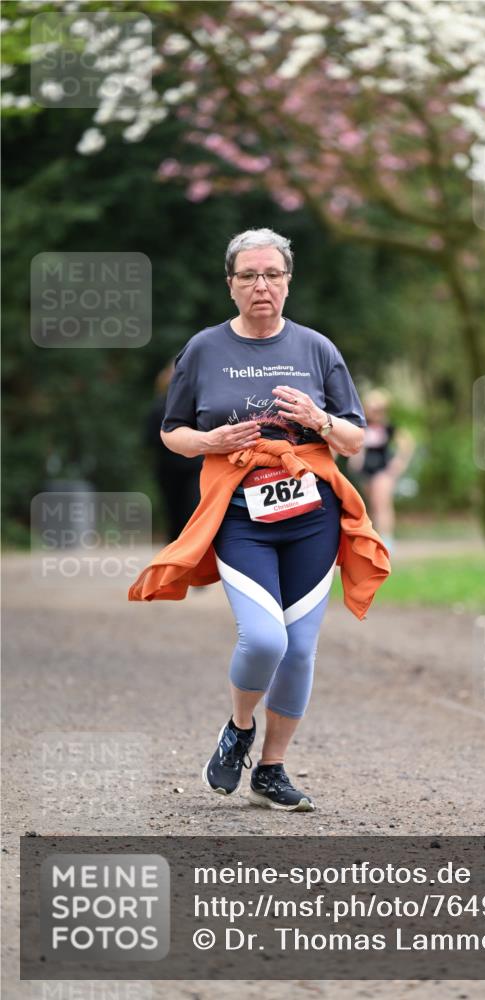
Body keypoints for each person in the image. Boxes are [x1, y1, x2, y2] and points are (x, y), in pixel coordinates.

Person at [153, 227, 385, 812]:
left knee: (300, 650)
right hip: (240, 516)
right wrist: (210, 439)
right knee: (263, 639)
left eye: (273, 275)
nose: (262, 285)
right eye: (250, 275)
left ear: (288, 282)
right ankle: (238, 729)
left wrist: (320, 419)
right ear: (230, 285)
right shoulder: (203, 349)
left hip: (312, 516)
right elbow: (171, 433)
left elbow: (356, 438)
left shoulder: (317, 349)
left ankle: (273, 770)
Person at [347, 389, 415, 552]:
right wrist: (355, 459)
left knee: (382, 503)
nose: (375, 412)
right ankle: (375, 537)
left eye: (378, 408)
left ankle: (387, 539)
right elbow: (357, 446)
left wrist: (399, 463)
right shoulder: (362, 426)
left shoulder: (389, 427)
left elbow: (406, 443)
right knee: (372, 504)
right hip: (366, 471)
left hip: (383, 470)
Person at [144, 360, 203, 541]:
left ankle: (192, 548)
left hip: (195, 468)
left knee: (192, 508)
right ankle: (175, 551)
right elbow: (150, 438)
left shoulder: (200, 402)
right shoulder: (159, 406)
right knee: (173, 511)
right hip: (169, 468)